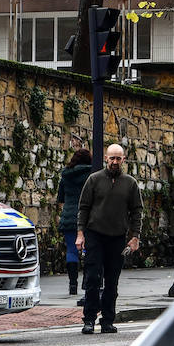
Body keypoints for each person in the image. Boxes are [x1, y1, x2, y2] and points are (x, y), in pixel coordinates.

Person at [76, 143, 143, 335]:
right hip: (94, 234)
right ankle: (89, 319)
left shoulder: (130, 183)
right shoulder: (94, 180)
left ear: (124, 160)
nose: (114, 162)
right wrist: (80, 234)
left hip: (118, 237)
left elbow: (137, 211)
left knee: (112, 281)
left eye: (118, 158)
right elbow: (83, 208)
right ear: (106, 158)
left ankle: (107, 320)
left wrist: (135, 236)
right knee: (93, 278)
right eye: (112, 158)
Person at [55, 148, 92, 295]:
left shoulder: (66, 175)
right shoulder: (92, 174)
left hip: (69, 217)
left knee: (71, 250)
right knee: (89, 250)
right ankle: (86, 282)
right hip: (88, 217)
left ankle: (72, 285)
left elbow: (61, 198)